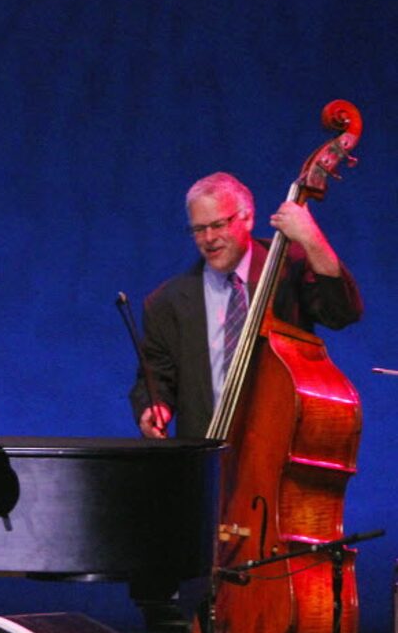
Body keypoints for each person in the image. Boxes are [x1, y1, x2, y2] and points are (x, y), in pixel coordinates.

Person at [131, 172, 362, 439]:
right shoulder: (165, 303)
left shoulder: (287, 270)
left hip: (279, 447)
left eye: (218, 224)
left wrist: (312, 239)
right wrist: (153, 407)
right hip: (207, 460)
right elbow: (155, 377)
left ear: (248, 218)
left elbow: (344, 313)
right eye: (198, 228)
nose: (208, 238)